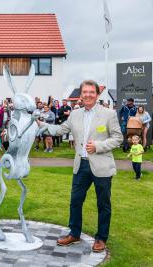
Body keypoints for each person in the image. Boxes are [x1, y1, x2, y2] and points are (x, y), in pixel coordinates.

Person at [37, 80, 122, 253]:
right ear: (81, 95)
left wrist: (99, 146)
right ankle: (74, 233)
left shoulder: (109, 114)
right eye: (85, 92)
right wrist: (41, 125)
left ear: (97, 95)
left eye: (92, 92)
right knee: (75, 201)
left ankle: (101, 238)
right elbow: (61, 130)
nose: (88, 95)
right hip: (81, 165)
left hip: (102, 165)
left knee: (103, 204)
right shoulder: (75, 114)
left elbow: (118, 138)